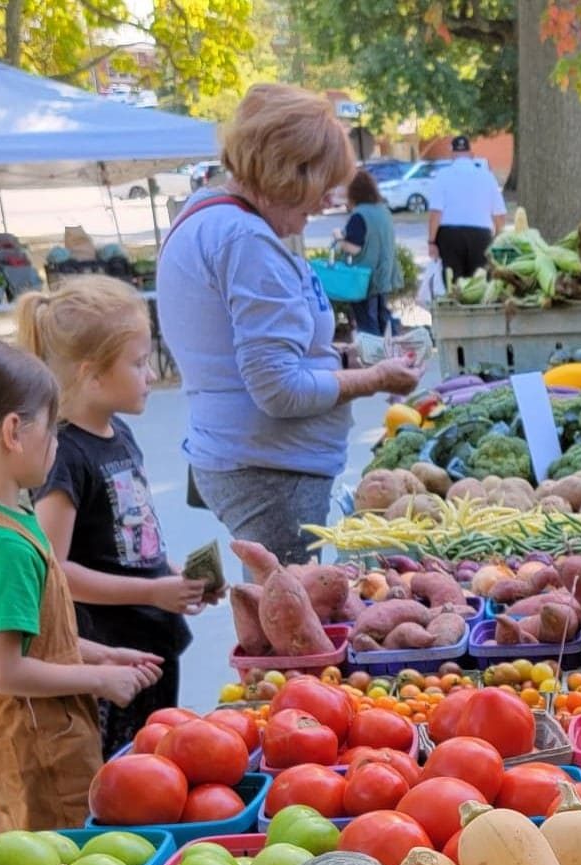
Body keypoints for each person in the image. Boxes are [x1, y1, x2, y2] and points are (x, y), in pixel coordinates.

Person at [156, 84, 419, 569]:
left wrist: (348, 358)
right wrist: (376, 379)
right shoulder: (245, 239)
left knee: (276, 612)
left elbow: (266, 352)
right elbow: (278, 389)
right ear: (288, 171)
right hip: (271, 472)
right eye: (321, 187)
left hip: (258, 465)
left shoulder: (215, 218)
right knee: (291, 626)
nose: (324, 204)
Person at [0, 336, 163, 830]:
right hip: (41, 755)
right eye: (52, 431)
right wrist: (100, 680)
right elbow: (1, 669)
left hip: (30, 747)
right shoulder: (2, 547)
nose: (57, 446)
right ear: (14, 430)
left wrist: (101, 653)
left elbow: (31, 635)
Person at [20, 277, 214, 758]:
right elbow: (55, 572)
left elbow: (130, 541)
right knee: (123, 771)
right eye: (139, 362)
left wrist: (176, 578)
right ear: (92, 376)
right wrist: (152, 590)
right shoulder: (63, 454)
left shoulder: (119, 432)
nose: (150, 375)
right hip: (107, 652)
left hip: (151, 638)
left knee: (157, 760)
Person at [427, 135, 507, 284]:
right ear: (471, 155)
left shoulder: (442, 176)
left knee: (453, 286)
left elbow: (435, 213)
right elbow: (500, 215)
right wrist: (497, 238)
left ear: (452, 155)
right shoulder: (487, 176)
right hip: (481, 236)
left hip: (449, 237)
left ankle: (453, 307)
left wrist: (431, 242)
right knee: (478, 286)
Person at [335, 168, 403, 337]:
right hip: (384, 276)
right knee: (383, 321)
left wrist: (338, 238)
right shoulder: (383, 210)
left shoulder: (359, 215)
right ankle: (391, 358)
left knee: (367, 326)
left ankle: (374, 360)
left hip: (362, 280)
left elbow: (354, 248)